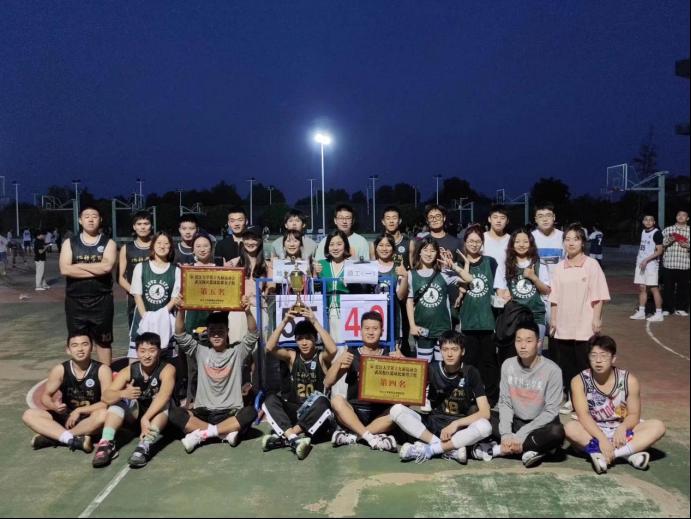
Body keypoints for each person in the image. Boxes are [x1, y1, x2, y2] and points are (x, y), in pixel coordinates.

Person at [564, 335, 666, 473]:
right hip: (592, 430)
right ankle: (628, 454)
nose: (598, 360)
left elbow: (634, 414)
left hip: (622, 431)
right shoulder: (579, 381)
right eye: (593, 355)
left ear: (613, 358)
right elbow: (583, 415)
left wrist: (623, 428)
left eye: (604, 356)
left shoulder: (629, 380)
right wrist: (602, 439)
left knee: (658, 426)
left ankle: (605, 455)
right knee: (569, 428)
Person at [170, 297, 259, 453]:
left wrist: (247, 312)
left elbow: (253, 334)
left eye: (220, 331)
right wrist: (181, 310)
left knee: (250, 412)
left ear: (227, 332)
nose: (216, 335)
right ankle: (225, 432)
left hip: (230, 412)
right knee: (175, 413)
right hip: (203, 412)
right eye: (212, 331)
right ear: (207, 332)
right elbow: (180, 335)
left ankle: (202, 434)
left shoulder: (237, 352)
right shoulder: (200, 351)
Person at [471, 321, 565, 468]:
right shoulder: (508, 365)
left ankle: (498, 450)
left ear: (539, 343)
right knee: (474, 412)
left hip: (539, 425)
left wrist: (522, 434)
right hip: (515, 421)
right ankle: (534, 449)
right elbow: (505, 402)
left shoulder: (553, 371)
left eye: (528, 341)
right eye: (519, 340)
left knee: (557, 432)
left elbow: (551, 411)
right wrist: (506, 434)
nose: (523, 346)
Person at [391, 330, 492, 464]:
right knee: (396, 410)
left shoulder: (471, 372)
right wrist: (403, 361)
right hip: (433, 424)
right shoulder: (431, 368)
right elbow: (411, 380)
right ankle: (446, 448)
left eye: (454, 349)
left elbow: (485, 412)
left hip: (460, 429)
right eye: (445, 349)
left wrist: (456, 424)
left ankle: (431, 450)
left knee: (486, 426)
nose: (449, 354)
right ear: (440, 351)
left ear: (462, 351)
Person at [261, 308, 338, 460]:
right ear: (295, 340)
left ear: (315, 339)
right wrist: (284, 321)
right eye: (300, 338)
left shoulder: (321, 357)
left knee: (323, 401)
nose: (304, 342)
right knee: (270, 399)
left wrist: (314, 321)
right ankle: (294, 439)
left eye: (308, 338)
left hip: (315, 414)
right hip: (295, 410)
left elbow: (333, 349)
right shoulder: (292, 356)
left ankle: (288, 436)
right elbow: (269, 347)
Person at [550, 224, 610, 414]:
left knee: (584, 363)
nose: (571, 243)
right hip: (564, 324)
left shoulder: (591, 265)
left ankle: (588, 399)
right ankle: (571, 398)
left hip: (584, 324)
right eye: (567, 239)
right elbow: (554, 297)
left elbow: (599, 295)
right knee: (567, 365)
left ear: (583, 243)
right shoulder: (559, 267)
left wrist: (597, 318)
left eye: (575, 239)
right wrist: (554, 320)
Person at [92, 332, 175, 468]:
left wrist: (146, 418)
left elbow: (164, 395)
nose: (147, 355)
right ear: (136, 352)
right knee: (116, 404)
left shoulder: (167, 369)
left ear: (159, 351)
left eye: (152, 350)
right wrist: (122, 393)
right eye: (142, 351)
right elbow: (105, 396)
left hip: (158, 418)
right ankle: (106, 443)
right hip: (136, 415)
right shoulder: (129, 371)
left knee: (164, 404)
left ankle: (145, 445)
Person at [22, 333, 111, 454]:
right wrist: (54, 406)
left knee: (104, 415)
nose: (80, 349)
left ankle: (57, 437)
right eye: (75, 345)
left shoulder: (102, 370)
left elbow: (106, 402)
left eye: (84, 344)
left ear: (92, 348)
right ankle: (72, 439)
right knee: (29, 415)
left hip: (90, 418)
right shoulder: (60, 369)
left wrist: (79, 410)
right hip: (66, 417)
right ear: (68, 350)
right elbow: (46, 396)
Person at [326, 311, 399, 452]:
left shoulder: (389, 355)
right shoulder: (351, 355)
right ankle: (371, 437)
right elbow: (327, 382)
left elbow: (407, 390)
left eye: (375, 328)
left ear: (382, 331)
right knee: (336, 401)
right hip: (354, 413)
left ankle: (355, 436)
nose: (371, 332)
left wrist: (403, 362)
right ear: (361, 330)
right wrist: (338, 362)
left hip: (380, 415)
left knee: (399, 410)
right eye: (367, 328)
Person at [59, 205, 117, 365]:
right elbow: (65, 269)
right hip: (75, 301)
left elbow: (106, 267)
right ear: (80, 220)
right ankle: (82, 375)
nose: (91, 219)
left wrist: (77, 266)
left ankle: (105, 374)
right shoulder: (70, 243)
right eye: (87, 216)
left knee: (104, 342)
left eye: (94, 216)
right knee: (78, 342)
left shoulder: (109, 243)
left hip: (102, 300)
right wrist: (96, 269)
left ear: (100, 219)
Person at [456, 225, 500, 406]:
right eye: (470, 241)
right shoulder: (459, 263)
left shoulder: (490, 262)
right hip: (468, 322)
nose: (474, 244)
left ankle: (491, 397)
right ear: (465, 242)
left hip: (488, 320)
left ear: (482, 243)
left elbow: (498, 288)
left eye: (478, 241)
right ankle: (471, 395)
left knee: (489, 362)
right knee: (469, 362)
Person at [407, 236, 466, 362]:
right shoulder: (411, 275)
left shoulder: (444, 273)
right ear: (419, 252)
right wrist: (412, 325)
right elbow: (409, 301)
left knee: (442, 364)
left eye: (432, 250)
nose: (429, 254)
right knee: (424, 365)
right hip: (422, 329)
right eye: (425, 250)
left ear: (437, 254)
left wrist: (454, 266)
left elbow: (469, 279)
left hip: (442, 329)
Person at [128, 232, 181, 360]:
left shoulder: (176, 270)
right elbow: (137, 295)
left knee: (166, 361)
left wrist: (160, 316)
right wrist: (146, 317)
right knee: (136, 360)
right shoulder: (141, 267)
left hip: (166, 321)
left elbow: (174, 298)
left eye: (166, 243)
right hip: (142, 319)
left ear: (170, 248)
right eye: (159, 243)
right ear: (152, 246)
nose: (162, 246)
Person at [495, 228, 551, 344]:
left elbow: (546, 290)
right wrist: (504, 295)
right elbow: (500, 289)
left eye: (525, 241)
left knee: (535, 351)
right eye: (517, 241)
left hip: (536, 316)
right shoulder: (505, 264)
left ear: (531, 244)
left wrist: (534, 277)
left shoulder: (539, 263)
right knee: (517, 351)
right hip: (514, 317)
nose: (521, 245)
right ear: (512, 244)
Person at [372, 233, 409, 347]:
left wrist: (405, 277)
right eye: (381, 245)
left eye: (388, 245)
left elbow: (401, 296)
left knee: (392, 351)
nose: (384, 249)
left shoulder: (398, 268)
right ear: (376, 248)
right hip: (372, 318)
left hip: (393, 318)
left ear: (393, 248)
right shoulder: (369, 267)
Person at [118, 211, 154, 328]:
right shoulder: (126, 248)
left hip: (156, 296)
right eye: (139, 224)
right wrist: (136, 293)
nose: (143, 227)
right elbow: (121, 278)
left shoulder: (158, 246)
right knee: (136, 334)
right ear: (134, 226)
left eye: (146, 223)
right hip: (134, 299)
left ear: (151, 226)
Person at [315, 229, 352, 343]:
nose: (335, 248)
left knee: (344, 346)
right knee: (329, 345)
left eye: (339, 244)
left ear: (345, 245)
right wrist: (315, 274)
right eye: (331, 244)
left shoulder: (352, 265)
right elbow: (315, 288)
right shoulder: (321, 264)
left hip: (347, 313)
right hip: (326, 312)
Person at [531, 202, 563, 324]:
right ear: (535, 219)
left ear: (554, 217)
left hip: (559, 291)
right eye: (540, 216)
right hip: (537, 291)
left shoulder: (563, 237)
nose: (545, 219)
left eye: (548, 215)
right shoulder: (530, 238)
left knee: (556, 328)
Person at [629, 214, 664, 322]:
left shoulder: (657, 233)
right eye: (646, 220)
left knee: (654, 288)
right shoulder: (643, 232)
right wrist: (640, 260)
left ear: (654, 222)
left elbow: (659, 251)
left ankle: (659, 314)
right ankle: (641, 312)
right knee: (642, 288)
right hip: (641, 264)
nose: (648, 222)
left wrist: (646, 260)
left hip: (651, 265)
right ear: (643, 222)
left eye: (650, 220)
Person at [661, 210, 690, 317]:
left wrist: (687, 245)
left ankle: (681, 308)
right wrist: (670, 240)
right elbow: (661, 244)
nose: (681, 217)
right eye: (679, 215)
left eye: (683, 215)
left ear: (687, 218)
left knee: (684, 288)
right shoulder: (668, 229)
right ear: (676, 217)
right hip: (669, 263)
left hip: (685, 264)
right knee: (668, 288)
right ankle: (667, 309)